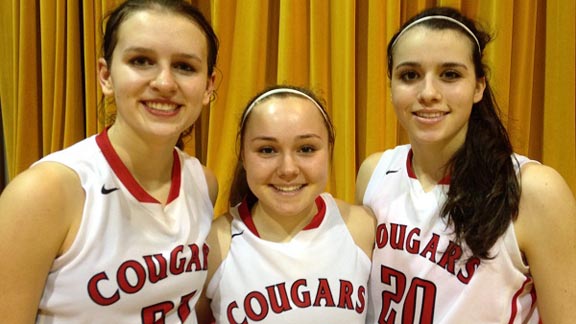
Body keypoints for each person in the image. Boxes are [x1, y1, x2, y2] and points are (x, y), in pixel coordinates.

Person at [0, 0, 219, 322]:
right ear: (106, 76)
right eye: (141, 61)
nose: (164, 83)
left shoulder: (202, 182)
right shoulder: (44, 192)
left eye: (185, 66)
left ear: (208, 86)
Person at [355, 6, 576, 324]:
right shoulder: (375, 172)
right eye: (410, 75)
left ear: (478, 87)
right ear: (390, 85)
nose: (428, 93)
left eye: (450, 75)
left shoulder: (533, 189)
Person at [196, 85, 376, 324]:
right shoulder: (215, 246)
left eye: (306, 149)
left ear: (329, 150)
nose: (288, 169)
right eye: (267, 150)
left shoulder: (361, 228)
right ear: (243, 156)